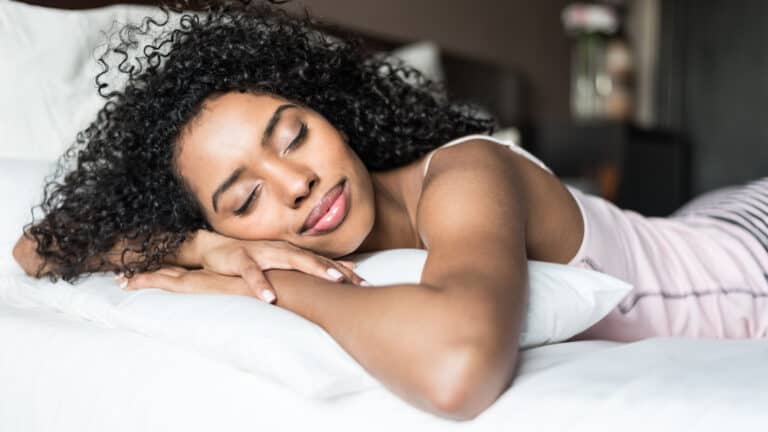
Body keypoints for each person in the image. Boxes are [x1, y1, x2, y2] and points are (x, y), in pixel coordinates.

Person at [10, 0, 768, 421]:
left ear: (333, 112)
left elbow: (454, 369)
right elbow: (36, 249)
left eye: (295, 135)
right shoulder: (227, 238)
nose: (297, 182)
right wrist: (198, 248)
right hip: (699, 226)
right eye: (244, 198)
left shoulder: (468, 172)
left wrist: (265, 281)